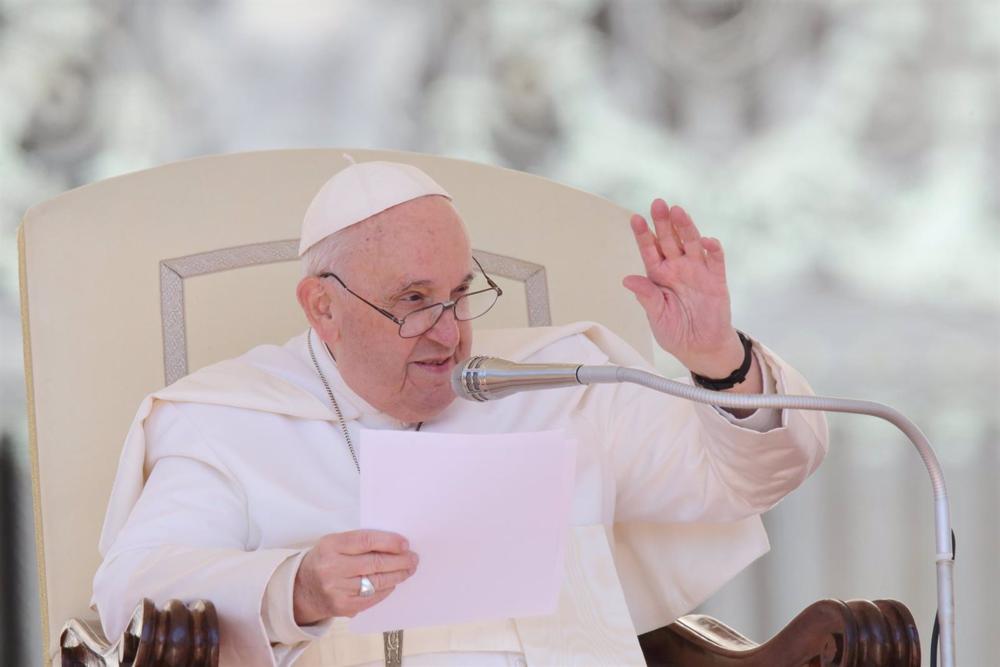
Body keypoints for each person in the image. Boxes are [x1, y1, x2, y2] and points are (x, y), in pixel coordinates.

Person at [92, 159, 828, 666]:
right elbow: (136, 586)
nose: (450, 331)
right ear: (324, 307)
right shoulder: (233, 418)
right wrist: (298, 585)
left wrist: (718, 359)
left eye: (460, 293)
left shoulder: (561, 386)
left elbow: (751, 477)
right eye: (413, 301)